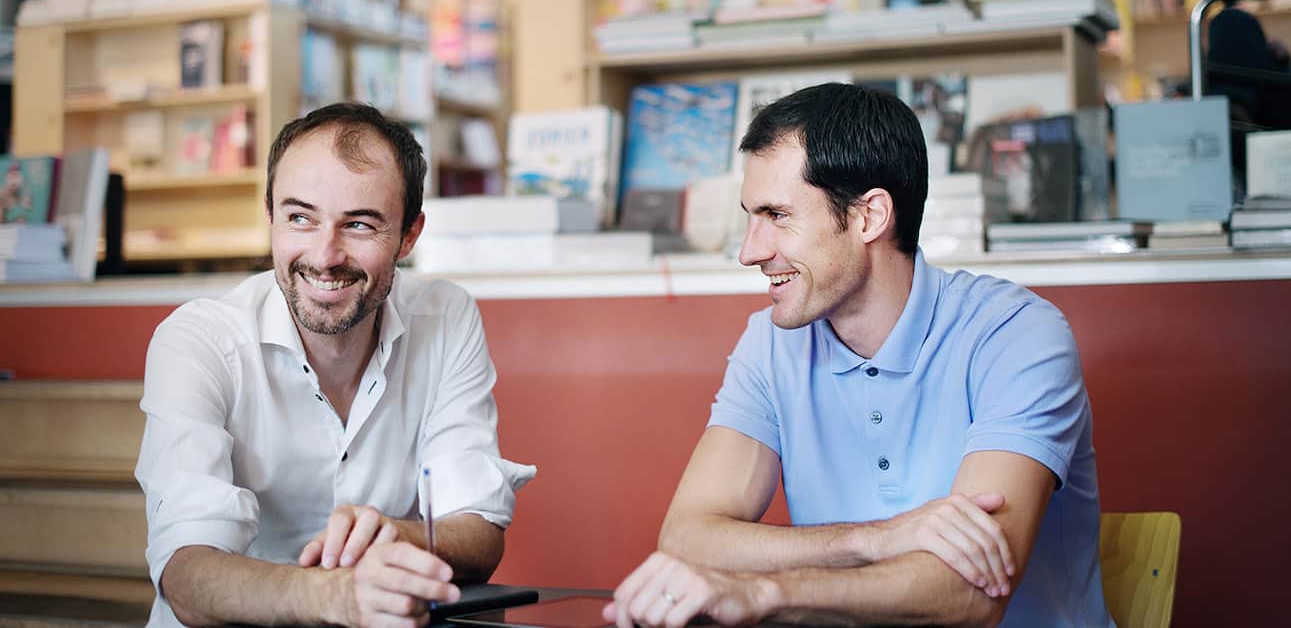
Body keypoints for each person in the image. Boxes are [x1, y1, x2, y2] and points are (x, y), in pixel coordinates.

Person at [604, 83, 1112, 628]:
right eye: (751, 216)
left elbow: (970, 595)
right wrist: (876, 539)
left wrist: (764, 593)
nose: (750, 251)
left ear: (869, 216)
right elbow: (688, 537)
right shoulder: (771, 342)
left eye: (778, 215)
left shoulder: (1017, 334)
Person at [135, 102, 535, 628]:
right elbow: (187, 577)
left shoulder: (446, 317)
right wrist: (337, 596)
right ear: (270, 216)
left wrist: (394, 534)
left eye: (360, 224)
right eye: (300, 218)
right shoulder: (198, 342)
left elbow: (479, 533)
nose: (325, 256)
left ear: (409, 236)